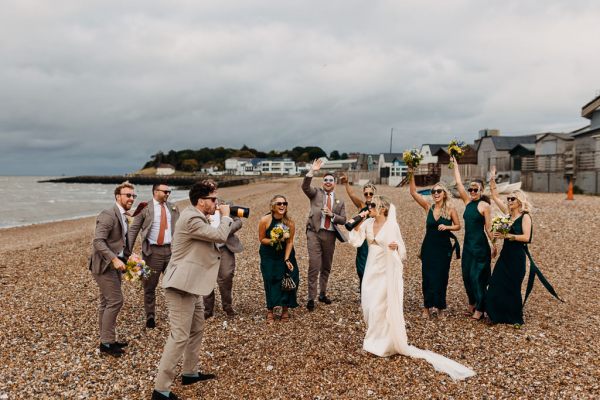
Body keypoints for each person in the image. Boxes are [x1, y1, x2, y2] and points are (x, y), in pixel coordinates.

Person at [348, 195, 475, 380]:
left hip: (386, 268)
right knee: (368, 304)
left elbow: (403, 250)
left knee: (381, 305)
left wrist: (395, 247)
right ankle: (374, 336)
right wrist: (357, 223)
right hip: (371, 269)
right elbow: (356, 241)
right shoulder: (367, 223)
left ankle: (380, 343)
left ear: (383, 208)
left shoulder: (392, 225)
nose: (370, 207)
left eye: (373, 205)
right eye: (369, 205)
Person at [152, 180, 233, 400]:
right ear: (201, 201)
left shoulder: (198, 216)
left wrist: (225, 218)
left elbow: (214, 237)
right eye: (213, 199)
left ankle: (189, 372)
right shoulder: (190, 218)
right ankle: (160, 390)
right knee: (178, 336)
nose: (217, 203)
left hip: (192, 285)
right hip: (179, 286)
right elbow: (219, 236)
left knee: (197, 328)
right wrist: (225, 216)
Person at [485, 167, 563, 325]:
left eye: (512, 199)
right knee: (496, 283)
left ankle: (514, 319)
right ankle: (496, 315)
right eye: (508, 199)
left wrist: (508, 236)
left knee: (512, 287)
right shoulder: (507, 215)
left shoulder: (525, 217)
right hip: (505, 255)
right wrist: (492, 179)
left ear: (519, 201)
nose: (509, 201)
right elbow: (494, 196)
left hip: (517, 257)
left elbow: (527, 237)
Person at [89, 181, 136, 357]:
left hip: (115, 264)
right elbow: (98, 241)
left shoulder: (123, 214)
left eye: (133, 195)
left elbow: (121, 239)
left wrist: (127, 257)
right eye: (128, 195)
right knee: (116, 301)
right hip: (103, 265)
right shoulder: (108, 215)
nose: (131, 198)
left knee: (106, 302)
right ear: (118, 196)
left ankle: (106, 339)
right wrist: (115, 259)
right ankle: (107, 344)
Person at [408, 171, 461, 318]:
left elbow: (458, 226)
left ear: (444, 193)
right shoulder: (428, 207)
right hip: (429, 247)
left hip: (444, 249)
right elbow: (413, 192)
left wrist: (448, 227)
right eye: (433, 191)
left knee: (442, 277)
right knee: (428, 277)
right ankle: (426, 307)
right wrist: (411, 173)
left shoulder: (450, 209)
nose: (435, 193)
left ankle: (440, 307)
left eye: (438, 191)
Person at [127, 183, 180, 329]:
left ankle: (177, 314)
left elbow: (181, 227)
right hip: (152, 253)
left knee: (174, 284)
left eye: (169, 191)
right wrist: (127, 252)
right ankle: (150, 316)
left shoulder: (173, 207)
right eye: (165, 191)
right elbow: (134, 230)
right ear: (155, 191)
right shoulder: (144, 208)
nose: (168, 194)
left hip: (171, 251)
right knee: (149, 286)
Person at [452, 156, 496, 320]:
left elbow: (489, 228)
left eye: (475, 190)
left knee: (478, 276)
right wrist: (456, 166)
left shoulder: (485, 206)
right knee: (466, 275)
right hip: (468, 246)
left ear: (481, 191)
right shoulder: (467, 202)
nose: (472, 192)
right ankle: (472, 304)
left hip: (480, 246)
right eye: (470, 189)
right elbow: (458, 184)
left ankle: (480, 307)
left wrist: (494, 244)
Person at [302, 159, 347, 311]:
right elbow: (305, 186)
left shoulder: (340, 202)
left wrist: (332, 215)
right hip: (314, 233)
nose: (328, 182)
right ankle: (311, 298)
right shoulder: (315, 193)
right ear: (323, 182)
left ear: (335, 183)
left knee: (326, 266)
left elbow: (344, 219)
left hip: (330, 236)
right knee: (314, 265)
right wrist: (312, 170)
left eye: (331, 180)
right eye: (325, 180)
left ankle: (322, 293)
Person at [258, 195, 300, 322]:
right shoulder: (264, 220)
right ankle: (270, 310)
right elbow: (262, 239)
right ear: (273, 206)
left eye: (284, 203)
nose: (282, 206)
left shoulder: (290, 223)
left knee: (289, 278)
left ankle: (285, 309)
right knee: (270, 280)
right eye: (279, 203)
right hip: (269, 254)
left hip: (285, 253)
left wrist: (287, 259)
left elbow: (290, 242)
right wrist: (274, 240)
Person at [203, 203, 243, 319]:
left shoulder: (226, 205)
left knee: (226, 276)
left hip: (224, 248)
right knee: (206, 278)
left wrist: (225, 229)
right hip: (206, 249)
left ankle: (227, 305)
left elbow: (238, 222)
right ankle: (207, 309)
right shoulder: (199, 207)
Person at [339, 173, 376, 292]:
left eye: (371, 193)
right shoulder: (361, 205)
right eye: (366, 193)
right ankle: (363, 292)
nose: (369, 195)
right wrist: (346, 183)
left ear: (375, 194)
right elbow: (352, 194)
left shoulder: (379, 207)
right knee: (361, 267)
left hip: (374, 239)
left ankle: (374, 292)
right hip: (362, 239)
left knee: (374, 267)